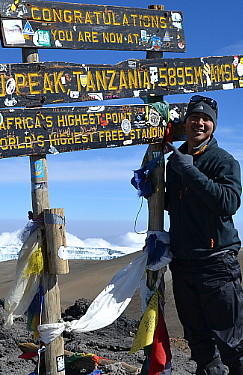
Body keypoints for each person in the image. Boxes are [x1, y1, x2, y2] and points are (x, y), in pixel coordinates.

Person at [165, 95, 243, 375]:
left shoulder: (224, 161)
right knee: (199, 343)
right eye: (194, 117)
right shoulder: (175, 161)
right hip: (183, 265)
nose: (199, 122)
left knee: (233, 345)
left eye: (206, 118)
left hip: (216, 264)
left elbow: (228, 203)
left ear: (213, 126)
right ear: (185, 123)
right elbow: (174, 205)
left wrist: (189, 172)